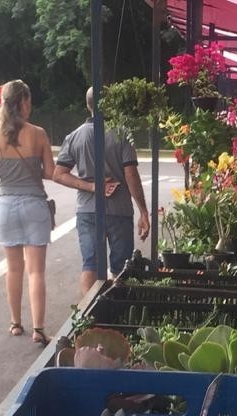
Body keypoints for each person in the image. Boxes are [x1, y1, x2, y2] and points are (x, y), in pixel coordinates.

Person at [53, 87, 151, 295]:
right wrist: (143, 210)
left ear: (87, 105)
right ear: (110, 105)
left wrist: (91, 187)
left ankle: (89, 321)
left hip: (88, 210)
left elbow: (59, 174)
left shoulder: (74, 136)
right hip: (120, 210)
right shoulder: (122, 134)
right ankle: (119, 313)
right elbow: (131, 175)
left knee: (91, 264)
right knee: (121, 268)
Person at [0, 79, 56, 345]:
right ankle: (38, 329)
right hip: (34, 205)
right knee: (36, 272)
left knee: (13, 269)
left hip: (5, 206)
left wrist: (7, 169)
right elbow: (49, 172)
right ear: (23, 102)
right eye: (29, 100)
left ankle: (15, 324)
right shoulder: (39, 134)